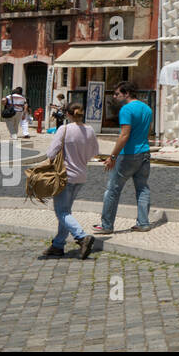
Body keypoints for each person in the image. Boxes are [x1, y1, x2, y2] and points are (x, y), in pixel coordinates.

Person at [42, 103, 101, 259]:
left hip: (65, 175)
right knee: (66, 212)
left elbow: (51, 152)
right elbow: (95, 152)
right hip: (81, 175)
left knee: (61, 212)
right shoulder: (89, 130)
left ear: (67, 114)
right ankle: (58, 245)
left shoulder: (64, 129)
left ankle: (82, 237)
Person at [95, 83, 153, 234]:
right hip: (144, 153)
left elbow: (124, 135)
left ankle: (106, 225)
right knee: (142, 189)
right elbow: (148, 131)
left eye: (116, 94)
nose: (114, 97)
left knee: (113, 189)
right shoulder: (147, 108)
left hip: (128, 154)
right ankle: (143, 223)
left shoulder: (126, 110)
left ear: (126, 93)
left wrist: (112, 156)